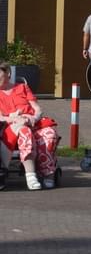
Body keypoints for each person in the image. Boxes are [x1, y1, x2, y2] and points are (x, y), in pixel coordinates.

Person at [0, 61, 59, 190]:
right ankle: (30, 175)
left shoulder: (22, 87)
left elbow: (37, 109)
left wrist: (33, 117)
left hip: (32, 122)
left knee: (49, 134)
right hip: (11, 126)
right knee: (25, 131)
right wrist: (16, 119)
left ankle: (48, 173)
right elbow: (1, 117)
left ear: (7, 73)